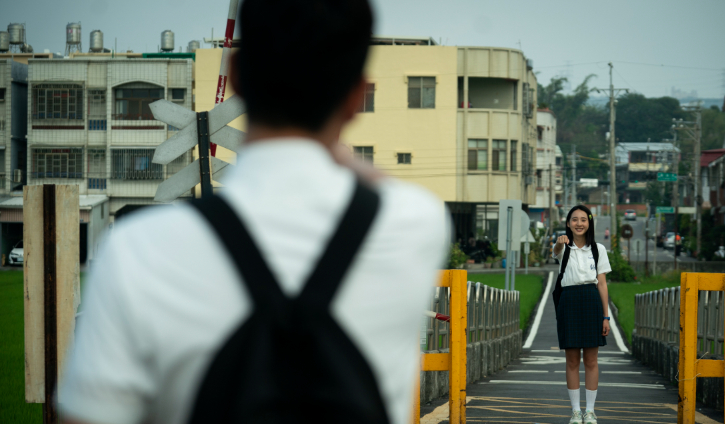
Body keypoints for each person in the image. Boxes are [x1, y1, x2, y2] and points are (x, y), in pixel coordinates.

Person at [60, 1, 449, 423]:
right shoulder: (414, 224)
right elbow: (377, 184)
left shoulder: (139, 249)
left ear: (239, 76)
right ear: (357, 97)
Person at [552, 205, 612, 424]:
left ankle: (590, 412)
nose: (579, 223)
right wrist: (559, 242)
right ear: (568, 223)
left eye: (583, 220)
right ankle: (575, 412)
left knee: (591, 359)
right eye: (574, 220)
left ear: (589, 223)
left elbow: (602, 284)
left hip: (591, 300)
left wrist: (606, 317)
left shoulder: (598, 249)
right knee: (571, 360)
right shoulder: (562, 247)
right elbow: (556, 252)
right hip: (568, 301)